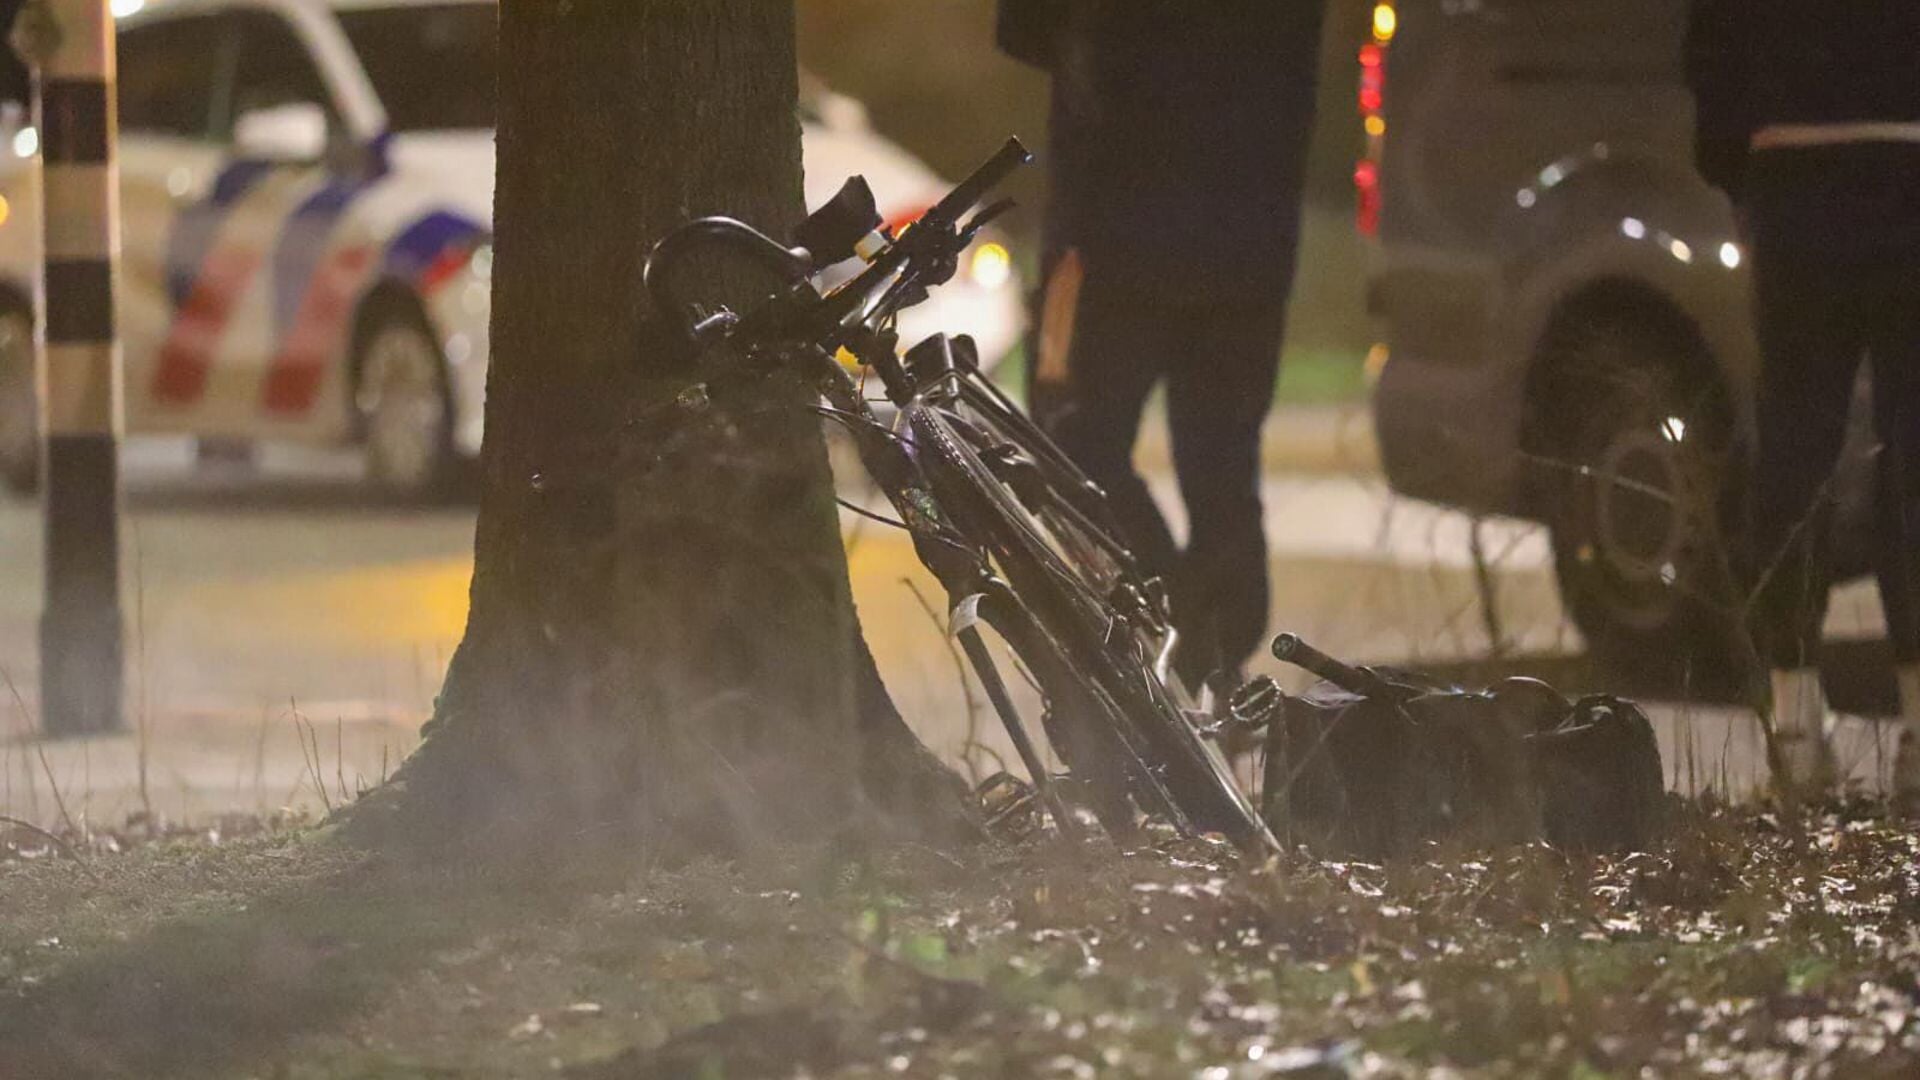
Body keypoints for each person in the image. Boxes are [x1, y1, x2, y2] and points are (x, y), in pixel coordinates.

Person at [998, 1, 1325, 691]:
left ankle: (1170, 622)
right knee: (1222, 462)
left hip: (1113, 221)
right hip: (1248, 233)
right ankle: (1217, 652)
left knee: (1070, 446)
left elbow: (1024, 29)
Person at [1685, 1, 1920, 800]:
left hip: (1793, 170)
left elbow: (1713, 36)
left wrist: (1734, 157)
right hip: (1910, 158)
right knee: (1913, 447)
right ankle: (1919, 722)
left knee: (1794, 440)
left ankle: (1794, 716)